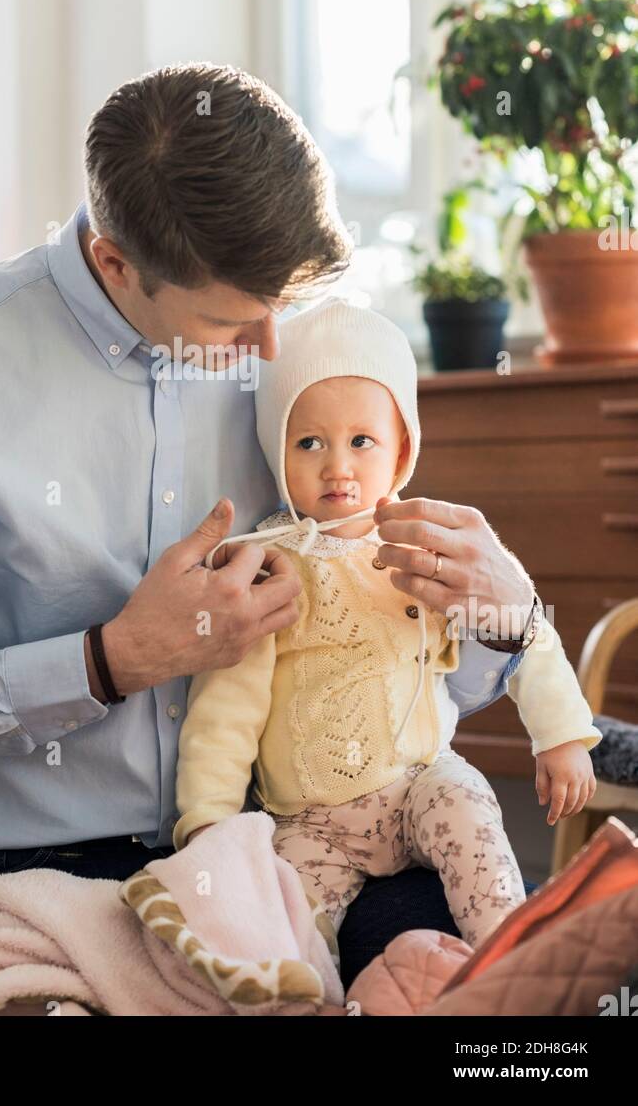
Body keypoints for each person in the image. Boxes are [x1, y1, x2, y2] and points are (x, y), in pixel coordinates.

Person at [0, 63, 533, 980]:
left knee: (485, 1002)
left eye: (280, 311)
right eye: (227, 324)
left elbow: (405, 675)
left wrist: (500, 621)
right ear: (113, 263)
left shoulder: (303, 357)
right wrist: (106, 662)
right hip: (43, 864)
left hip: (303, 841)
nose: (266, 352)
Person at [174, 298, 601, 948]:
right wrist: (208, 825)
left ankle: (506, 957)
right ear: (274, 449)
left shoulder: (426, 543)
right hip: (310, 820)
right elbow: (224, 710)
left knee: (470, 819)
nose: (336, 466)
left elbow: (521, 628)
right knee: (276, 926)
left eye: (360, 441)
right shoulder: (267, 568)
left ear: (400, 449)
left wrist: (560, 735)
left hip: (421, 781)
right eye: (308, 442)